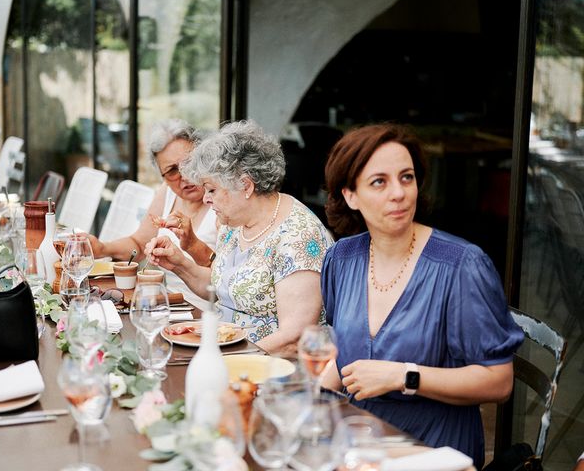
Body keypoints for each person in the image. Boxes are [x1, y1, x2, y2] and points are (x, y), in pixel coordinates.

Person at [320, 123, 524, 468]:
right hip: (361, 442)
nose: (399, 193)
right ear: (350, 195)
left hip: (434, 449)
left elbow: (500, 382)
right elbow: (341, 353)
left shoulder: (462, 266)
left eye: (407, 177)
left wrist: (405, 376)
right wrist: (312, 402)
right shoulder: (341, 259)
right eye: (379, 182)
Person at [145, 120, 333, 353]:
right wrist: (179, 264)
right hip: (223, 350)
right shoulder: (233, 224)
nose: (206, 199)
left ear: (245, 185)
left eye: (212, 189)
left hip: (269, 369)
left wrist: (224, 361)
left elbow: (294, 336)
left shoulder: (299, 235)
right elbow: (221, 288)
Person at [84, 119, 217, 309]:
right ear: (162, 176)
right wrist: (103, 248)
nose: (185, 176)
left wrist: (192, 246)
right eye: (172, 171)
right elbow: (139, 244)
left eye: (190, 163)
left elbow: (225, 275)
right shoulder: (168, 192)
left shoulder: (221, 200)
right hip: (167, 303)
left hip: (204, 311)